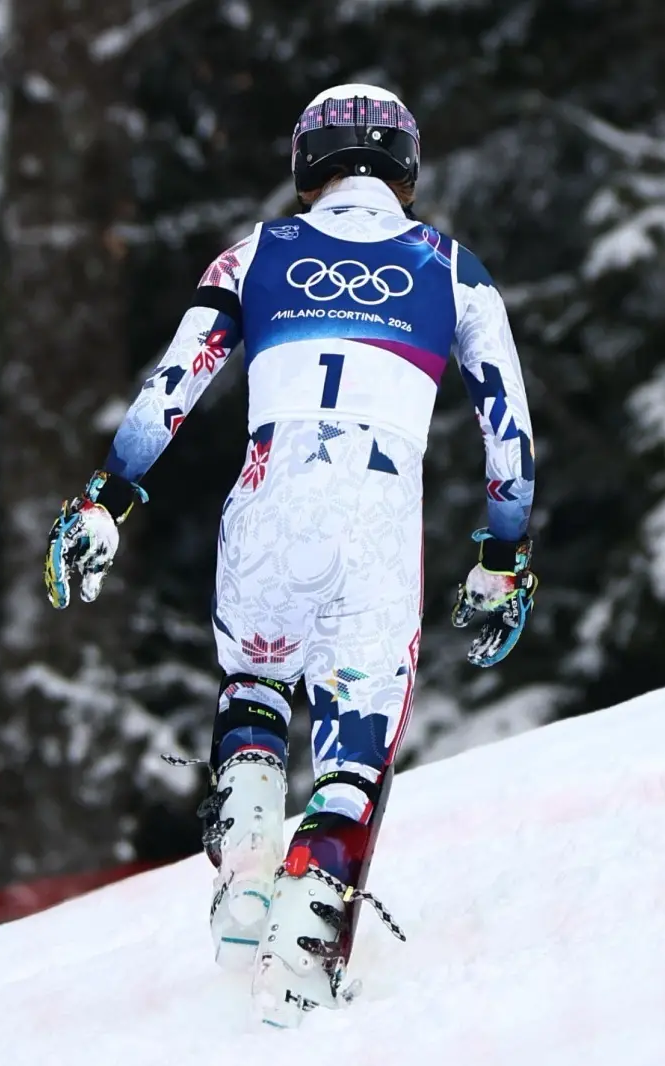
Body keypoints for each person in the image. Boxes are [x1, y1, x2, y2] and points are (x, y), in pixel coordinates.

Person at [44, 84, 537, 1027]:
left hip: (267, 497)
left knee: (254, 685)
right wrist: (502, 559)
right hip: (378, 513)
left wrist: (105, 499)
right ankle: (307, 953)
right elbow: (509, 442)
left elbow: (169, 388)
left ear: (308, 165)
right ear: (406, 167)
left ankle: (246, 846)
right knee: (356, 752)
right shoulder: (456, 271)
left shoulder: (254, 253)